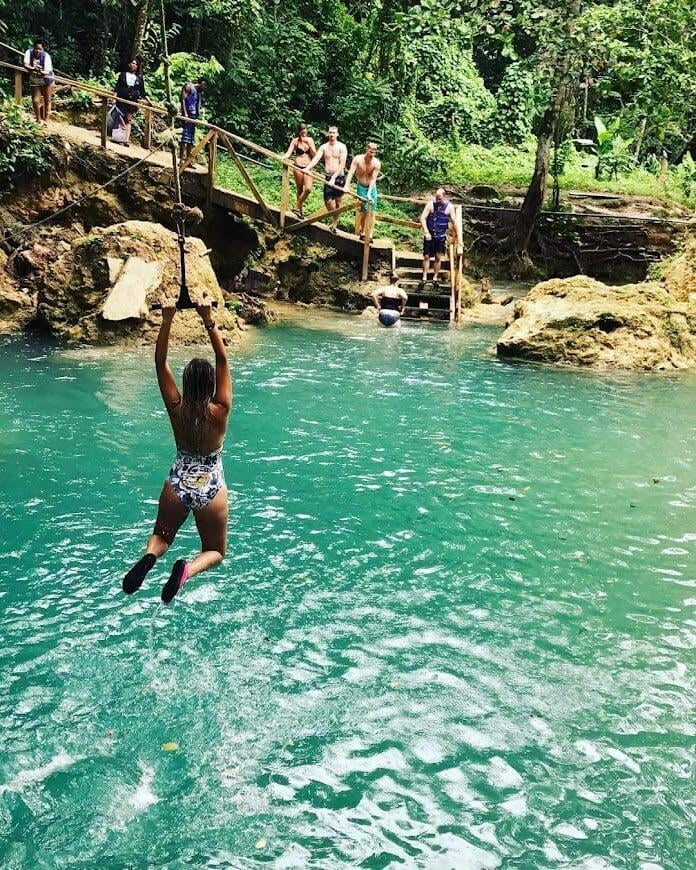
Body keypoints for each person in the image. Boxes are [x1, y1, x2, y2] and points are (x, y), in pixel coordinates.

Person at [122, 303, 232, 603]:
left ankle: (149, 558)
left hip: (178, 482)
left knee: (162, 536)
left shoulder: (176, 407)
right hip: (211, 485)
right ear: (211, 385)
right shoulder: (221, 408)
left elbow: (160, 361)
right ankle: (186, 570)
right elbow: (222, 359)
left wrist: (167, 320)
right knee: (215, 551)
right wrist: (208, 319)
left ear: (186, 383)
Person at [305, 126, 348, 232]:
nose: (331, 134)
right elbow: (316, 158)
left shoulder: (342, 147)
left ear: (337, 134)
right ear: (328, 134)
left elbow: (342, 164)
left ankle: (334, 223)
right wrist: (307, 168)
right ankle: (335, 217)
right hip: (328, 176)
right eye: (330, 132)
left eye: (333, 133)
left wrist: (334, 177)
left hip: (339, 177)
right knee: (328, 201)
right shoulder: (324, 147)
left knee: (338, 201)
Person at [419, 188, 462, 287]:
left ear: (444, 197)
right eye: (437, 198)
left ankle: (435, 277)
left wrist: (459, 238)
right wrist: (426, 232)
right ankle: (424, 277)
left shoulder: (449, 207)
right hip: (430, 234)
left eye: (440, 198)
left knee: (438, 257)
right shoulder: (430, 204)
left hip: (441, 236)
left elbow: (454, 222)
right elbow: (423, 218)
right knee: (426, 256)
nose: (438, 200)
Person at [345, 143, 381, 240]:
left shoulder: (376, 163)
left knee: (372, 211)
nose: (372, 153)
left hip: (371, 187)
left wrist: (369, 193)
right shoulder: (358, 159)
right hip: (361, 186)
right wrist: (346, 186)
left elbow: (373, 179)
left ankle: (370, 235)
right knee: (363, 210)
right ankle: (363, 232)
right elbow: (351, 172)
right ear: (367, 149)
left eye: (374, 152)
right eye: (371, 151)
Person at [112, 58, 150, 147]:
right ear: (129, 64)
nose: (134, 65)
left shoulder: (139, 78)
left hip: (132, 100)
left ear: (137, 66)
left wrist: (149, 101)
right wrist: (114, 97)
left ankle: (126, 140)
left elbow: (142, 92)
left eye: (136, 64)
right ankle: (119, 138)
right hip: (121, 99)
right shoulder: (122, 75)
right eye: (132, 63)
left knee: (128, 119)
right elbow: (117, 87)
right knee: (120, 118)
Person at [282, 124, 316, 218]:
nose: (304, 134)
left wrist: (309, 145)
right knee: (299, 189)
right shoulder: (295, 141)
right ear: (299, 132)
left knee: (308, 189)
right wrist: (282, 158)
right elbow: (288, 153)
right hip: (298, 166)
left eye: (305, 132)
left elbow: (315, 155)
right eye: (302, 132)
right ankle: (300, 212)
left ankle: (297, 206)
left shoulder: (310, 140)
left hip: (308, 167)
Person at [23, 38, 54, 123]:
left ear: (43, 49)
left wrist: (40, 71)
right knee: (35, 100)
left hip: (47, 79)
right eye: (36, 48)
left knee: (47, 100)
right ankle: (38, 119)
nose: (38, 51)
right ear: (33, 48)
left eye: (40, 49)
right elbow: (25, 64)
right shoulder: (29, 53)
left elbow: (47, 72)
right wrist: (33, 68)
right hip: (35, 78)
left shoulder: (46, 56)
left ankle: (46, 120)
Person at [180, 77, 208, 162]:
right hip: (187, 114)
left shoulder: (199, 93)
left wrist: (198, 115)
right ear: (201, 84)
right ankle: (181, 159)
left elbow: (197, 105)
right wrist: (185, 114)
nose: (205, 88)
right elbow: (183, 100)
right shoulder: (188, 87)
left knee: (191, 139)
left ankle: (188, 160)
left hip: (193, 116)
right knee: (184, 137)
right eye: (205, 86)